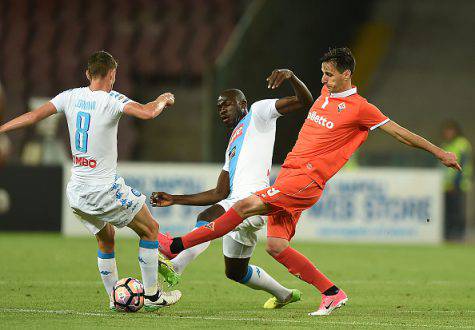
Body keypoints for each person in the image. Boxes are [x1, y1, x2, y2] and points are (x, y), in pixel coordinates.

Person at [162, 47, 461, 316]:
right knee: (276, 246)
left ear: (347, 74)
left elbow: (400, 133)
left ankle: (176, 245)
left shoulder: (361, 108)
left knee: (243, 206)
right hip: (289, 175)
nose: (325, 79)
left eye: (330, 75)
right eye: (322, 74)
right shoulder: (324, 95)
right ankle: (332, 293)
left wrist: (439, 152)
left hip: (307, 179)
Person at [0, 51, 181, 311]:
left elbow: (32, 117)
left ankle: (113, 299)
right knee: (150, 228)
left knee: (106, 238)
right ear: (112, 74)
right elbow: (148, 112)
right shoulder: (112, 99)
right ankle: (153, 296)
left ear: (87, 74)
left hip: (77, 192)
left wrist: (1, 129)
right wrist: (163, 98)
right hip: (104, 188)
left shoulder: (70, 96)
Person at [150, 68, 313, 309]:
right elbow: (218, 194)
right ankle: (285, 294)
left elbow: (304, 101)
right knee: (235, 271)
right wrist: (174, 198)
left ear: (243, 104)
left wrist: (290, 76)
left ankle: (176, 265)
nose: (222, 110)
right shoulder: (232, 147)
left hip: (253, 201)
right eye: (218, 108)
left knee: (206, 218)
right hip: (237, 205)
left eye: (226, 104)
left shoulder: (258, 113)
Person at [441, 120, 472, 241]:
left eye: (450, 131)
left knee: (458, 210)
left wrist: (456, 184)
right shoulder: (445, 145)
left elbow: (462, 165)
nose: (448, 133)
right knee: (448, 211)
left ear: (456, 132)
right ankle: (448, 234)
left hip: (459, 185)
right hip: (446, 185)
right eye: (446, 131)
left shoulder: (462, 144)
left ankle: (459, 235)